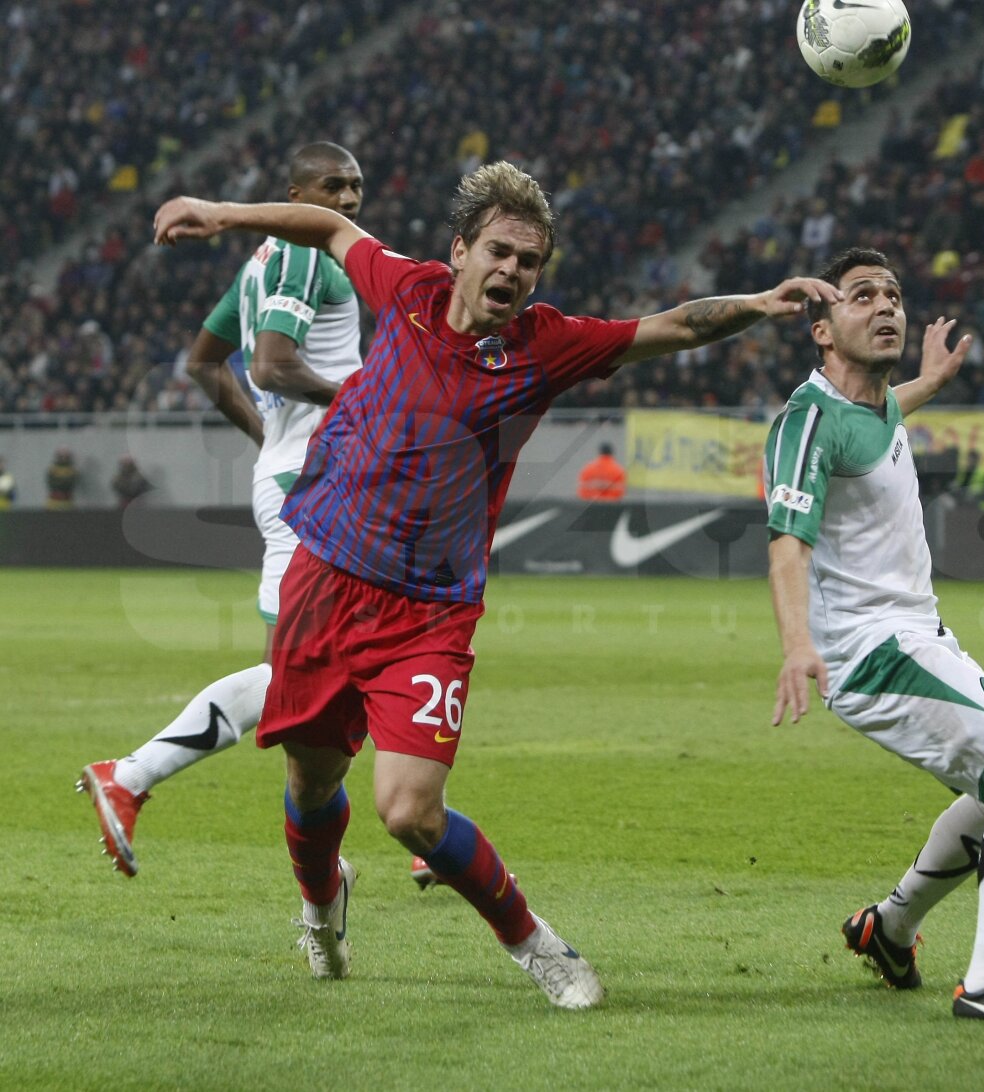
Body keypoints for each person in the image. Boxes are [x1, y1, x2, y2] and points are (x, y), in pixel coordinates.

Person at [150, 160, 843, 1007]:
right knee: (311, 782)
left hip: (429, 609)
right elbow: (330, 227)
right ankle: (322, 907)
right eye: (500, 252)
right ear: (461, 251)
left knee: (408, 811)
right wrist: (220, 213)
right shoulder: (406, 289)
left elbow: (671, 326)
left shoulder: (546, 344)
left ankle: (537, 945)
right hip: (324, 578)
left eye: (529, 261)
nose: (513, 271)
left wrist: (759, 304)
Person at [765, 247, 984, 1026]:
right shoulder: (809, 420)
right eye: (862, 295)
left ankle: (890, 928)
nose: (886, 306)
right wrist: (798, 644)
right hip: (873, 651)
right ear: (822, 330)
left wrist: (931, 383)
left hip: (915, 634)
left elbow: (881, 418)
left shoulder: (873, 408)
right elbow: (786, 543)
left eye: (894, 294)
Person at [78, 143, 366, 877]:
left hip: (293, 477)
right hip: (320, 486)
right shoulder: (305, 254)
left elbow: (204, 362)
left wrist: (269, 438)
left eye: (355, 187)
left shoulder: (259, 264)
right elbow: (270, 364)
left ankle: (357, 847)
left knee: (319, 673)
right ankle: (131, 775)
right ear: (295, 193)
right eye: (332, 185)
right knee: (323, 671)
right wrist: (365, 401)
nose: (347, 199)